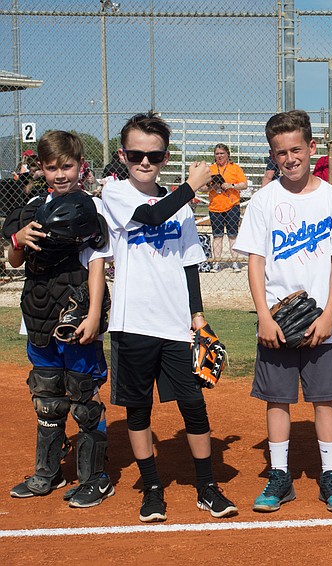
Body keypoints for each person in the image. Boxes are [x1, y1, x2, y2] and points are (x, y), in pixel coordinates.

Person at [101, 112, 237, 523]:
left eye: (154, 155)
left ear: (164, 156)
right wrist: (192, 185)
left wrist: (197, 314)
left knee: (194, 406)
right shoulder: (115, 193)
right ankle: (152, 487)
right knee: (138, 410)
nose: (145, 162)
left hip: (176, 322)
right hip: (132, 322)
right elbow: (152, 216)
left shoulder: (179, 204)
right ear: (123, 155)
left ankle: (206, 486)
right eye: (137, 154)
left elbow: (190, 262)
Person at [233, 110, 332, 514]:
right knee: (277, 400)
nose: (289, 158)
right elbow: (255, 262)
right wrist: (264, 317)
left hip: (322, 322)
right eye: (280, 152)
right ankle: (281, 475)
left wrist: (329, 315)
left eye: (296, 149)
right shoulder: (264, 200)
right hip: (277, 320)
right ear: (272, 155)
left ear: (312, 148)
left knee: (324, 399)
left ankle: (329, 474)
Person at [4, 131, 113, 508]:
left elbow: (97, 265)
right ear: (42, 169)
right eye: (52, 168)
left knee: (84, 398)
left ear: (80, 166)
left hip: (76, 313)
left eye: (67, 166)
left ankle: (95, 478)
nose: (60, 174)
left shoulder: (91, 209)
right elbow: (14, 262)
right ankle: (47, 472)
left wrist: (95, 315)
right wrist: (16, 240)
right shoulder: (33, 205)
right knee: (47, 397)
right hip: (38, 314)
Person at [207, 143, 248, 273]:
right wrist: (211, 187)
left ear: (227, 155)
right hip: (215, 207)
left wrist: (231, 185)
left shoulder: (235, 168)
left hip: (232, 205)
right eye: (217, 154)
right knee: (217, 236)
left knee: (232, 235)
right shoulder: (210, 169)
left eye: (222, 153)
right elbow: (202, 187)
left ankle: (235, 263)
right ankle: (216, 263)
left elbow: (244, 185)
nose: (219, 156)